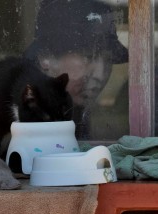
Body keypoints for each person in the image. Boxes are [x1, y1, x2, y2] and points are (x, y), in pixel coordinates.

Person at [23, 0, 129, 139]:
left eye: (108, 59)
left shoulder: (78, 114)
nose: (100, 74)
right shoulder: (20, 119)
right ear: (45, 58)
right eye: (88, 57)